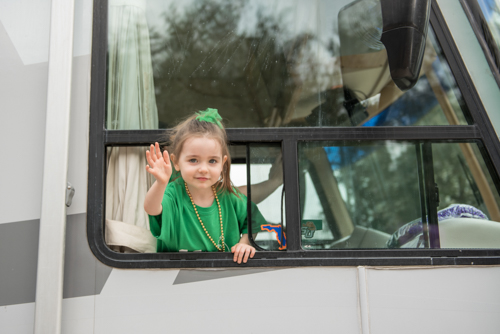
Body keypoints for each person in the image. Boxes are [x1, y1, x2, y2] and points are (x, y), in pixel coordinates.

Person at [144, 108, 268, 264]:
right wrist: (161, 183)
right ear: (176, 162)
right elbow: (151, 208)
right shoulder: (173, 193)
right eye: (193, 160)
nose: (203, 168)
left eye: (212, 161)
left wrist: (244, 243)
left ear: (222, 164)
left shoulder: (228, 195)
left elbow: (253, 219)